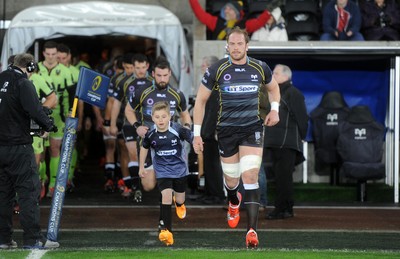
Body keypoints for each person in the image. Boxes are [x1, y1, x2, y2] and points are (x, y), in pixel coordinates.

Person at [192, 27, 280, 248]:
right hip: (226, 131)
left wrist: (275, 109)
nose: (236, 48)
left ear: (247, 46)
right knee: (231, 180)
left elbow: (274, 88)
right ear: (227, 46)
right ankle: (233, 201)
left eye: (240, 44)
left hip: (252, 128)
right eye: (232, 44)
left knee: (250, 177)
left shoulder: (260, 67)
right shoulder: (217, 69)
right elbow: (200, 101)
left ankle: (252, 230)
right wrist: (196, 134)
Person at [0, 53, 59, 249]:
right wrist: (48, 125)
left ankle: (3, 239)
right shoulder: (23, 83)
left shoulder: (1, 79)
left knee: (3, 194)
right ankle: (33, 238)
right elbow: (35, 110)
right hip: (19, 147)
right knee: (28, 192)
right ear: (30, 67)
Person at [125, 56, 192, 229]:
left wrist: (185, 129)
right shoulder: (143, 92)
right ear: (153, 74)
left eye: (165, 75)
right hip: (150, 142)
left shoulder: (177, 94)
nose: (162, 79)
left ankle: (170, 204)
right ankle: (165, 194)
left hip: (171, 145)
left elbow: (185, 114)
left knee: (172, 189)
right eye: (159, 75)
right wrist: (137, 126)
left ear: (170, 74)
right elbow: (128, 110)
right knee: (148, 185)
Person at [139, 101, 192, 246]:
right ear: (152, 118)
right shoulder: (150, 134)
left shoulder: (177, 129)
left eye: (163, 116)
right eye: (157, 117)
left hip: (179, 170)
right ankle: (166, 231)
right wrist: (141, 166)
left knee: (179, 198)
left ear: (170, 116)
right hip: (162, 170)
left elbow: (191, 137)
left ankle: (180, 204)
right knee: (166, 195)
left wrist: (197, 143)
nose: (160, 120)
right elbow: (144, 148)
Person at [262, 64, 308, 220]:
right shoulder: (275, 93)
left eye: (275, 73)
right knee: (280, 178)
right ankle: (282, 208)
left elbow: (302, 118)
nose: (272, 75)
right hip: (276, 143)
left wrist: (301, 137)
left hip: (286, 143)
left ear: (286, 76)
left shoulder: (293, 93)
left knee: (284, 178)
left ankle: (284, 209)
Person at [113, 53, 153, 202]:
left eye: (143, 67)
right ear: (134, 67)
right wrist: (111, 123)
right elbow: (116, 103)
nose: (141, 70)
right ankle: (136, 189)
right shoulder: (125, 82)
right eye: (138, 67)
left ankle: (148, 183)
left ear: (147, 66)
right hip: (129, 123)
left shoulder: (153, 81)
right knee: (133, 154)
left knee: (147, 155)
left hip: (148, 124)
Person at [38, 41, 74, 198]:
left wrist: (70, 114)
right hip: (39, 116)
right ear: (43, 54)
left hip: (58, 117)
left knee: (54, 149)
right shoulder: (37, 69)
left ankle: (53, 184)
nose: (52, 57)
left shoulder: (65, 71)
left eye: (54, 54)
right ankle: (40, 181)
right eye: (48, 54)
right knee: (39, 153)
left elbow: (72, 96)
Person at [198, 55, 225, 205]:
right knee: (208, 163)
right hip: (207, 131)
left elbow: (216, 111)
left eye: (204, 65)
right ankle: (209, 192)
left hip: (214, 132)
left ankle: (217, 194)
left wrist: (215, 131)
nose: (202, 68)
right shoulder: (209, 85)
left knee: (214, 164)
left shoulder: (217, 85)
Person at [189, 0, 271, 40]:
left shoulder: (244, 24)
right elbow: (200, 13)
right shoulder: (216, 22)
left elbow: (259, 21)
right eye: (225, 9)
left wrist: (270, 10)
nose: (226, 11)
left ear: (236, 13)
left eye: (229, 9)